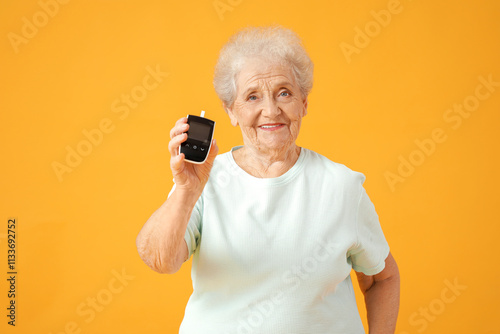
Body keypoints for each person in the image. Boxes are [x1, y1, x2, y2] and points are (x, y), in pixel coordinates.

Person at [136, 25, 400, 334]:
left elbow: (382, 278)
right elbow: (160, 260)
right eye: (252, 97)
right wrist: (185, 189)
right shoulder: (202, 181)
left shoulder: (342, 186)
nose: (271, 110)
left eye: (284, 93)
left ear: (304, 102)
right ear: (231, 111)